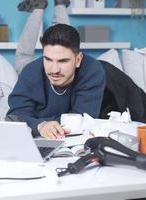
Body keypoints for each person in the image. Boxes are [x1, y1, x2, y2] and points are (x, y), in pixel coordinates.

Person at [6, 0, 105, 140]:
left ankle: (55, 5)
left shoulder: (93, 70)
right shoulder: (30, 71)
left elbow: (81, 120)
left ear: (78, 60)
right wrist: (40, 125)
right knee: (23, 56)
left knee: (63, 38)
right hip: (30, 69)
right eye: (48, 59)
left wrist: (37, 121)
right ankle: (56, 5)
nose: (54, 70)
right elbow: (14, 117)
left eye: (63, 61)